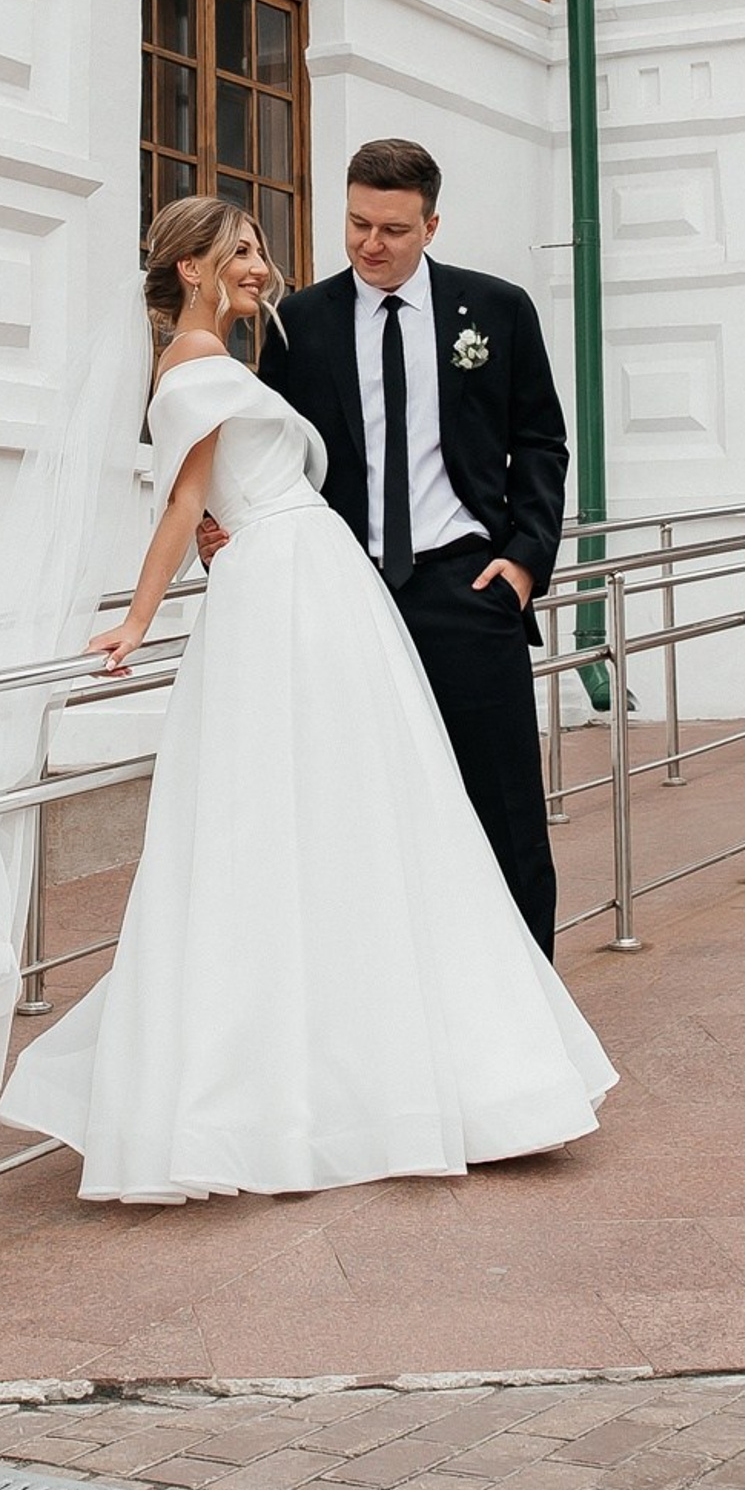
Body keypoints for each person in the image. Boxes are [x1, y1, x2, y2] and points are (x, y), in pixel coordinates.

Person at [0, 195, 612, 1204]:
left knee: (357, 822)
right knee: (301, 823)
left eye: (257, 248)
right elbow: (187, 500)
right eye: (238, 251)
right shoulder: (193, 365)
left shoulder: (231, 359)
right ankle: (317, 1085)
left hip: (317, 593)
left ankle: (372, 1065)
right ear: (189, 268)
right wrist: (140, 618)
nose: (258, 264)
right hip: (283, 599)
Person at [240, 139, 568, 955]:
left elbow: (540, 443)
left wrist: (525, 560)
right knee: (357, 803)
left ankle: (529, 1004)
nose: (370, 244)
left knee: (502, 807)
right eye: (356, 224)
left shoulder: (497, 310)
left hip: (467, 585)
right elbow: (271, 450)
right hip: (343, 590)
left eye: (392, 228)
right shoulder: (301, 322)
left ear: (430, 225)